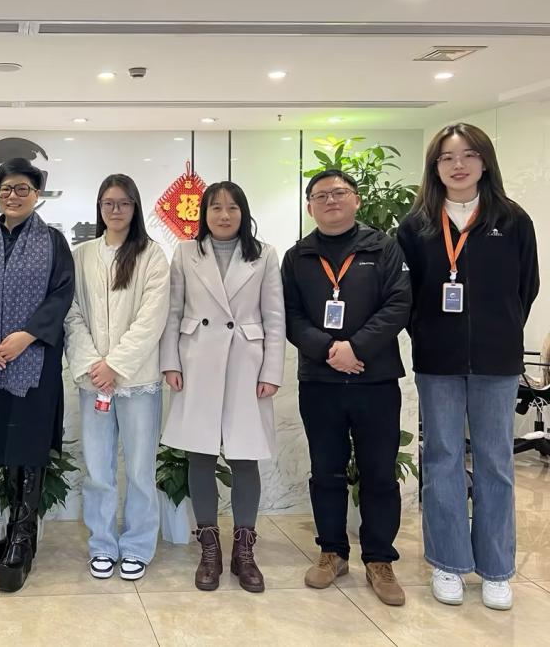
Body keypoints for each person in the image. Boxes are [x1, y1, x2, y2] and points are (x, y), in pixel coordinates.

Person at [397, 123, 540, 611]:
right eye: (447, 157)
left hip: (497, 360)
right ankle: (448, 562)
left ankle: (496, 569)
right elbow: (407, 296)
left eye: (469, 155)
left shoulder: (513, 220)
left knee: (496, 461)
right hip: (437, 360)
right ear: (434, 167)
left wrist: (499, 329)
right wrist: (429, 334)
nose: (458, 165)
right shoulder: (416, 225)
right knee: (442, 458)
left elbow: (526, 288)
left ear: (485, 162)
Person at [281, 169, 411, 607]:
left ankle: (380, 559)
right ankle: (332, 552)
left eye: (339, 192)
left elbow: (399, 303)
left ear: (356, 200)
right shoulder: (297, 256)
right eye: (321, 195)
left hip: (375, 379)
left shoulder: (383, 247)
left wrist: (356, 347)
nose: (330, 200)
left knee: (379, 472)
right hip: (320, 381)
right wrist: (328, 350)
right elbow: (290, 315)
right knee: (326, 471)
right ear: (309, 207)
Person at [159, 181, 284, 593]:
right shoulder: (185, 252)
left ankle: (244, 552)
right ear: (204, 214)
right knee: (200, 455)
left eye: (232, 207)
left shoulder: (264, 254)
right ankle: (209, 550)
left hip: (246, 364)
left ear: (243, 213)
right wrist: (170, 362)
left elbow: (275, 317)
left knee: (245, 457)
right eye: (215, 207)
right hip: (198, 361)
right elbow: (173, 312)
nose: (224, 215)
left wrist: (271, 371)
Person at [0, 157, 75, 592]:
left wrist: (26, 336)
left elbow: (62, 294)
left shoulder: (53, 242)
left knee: (29, 442)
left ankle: (23, 536)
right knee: (5, 443)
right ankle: (14, 528)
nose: (13, 195)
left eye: (22, 188)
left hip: (34, 361)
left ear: (36, 194)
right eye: (6, 188)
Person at [65, 173, 169, 582]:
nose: (116, 210)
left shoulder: (151, 255)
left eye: (124, 203)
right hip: (94, 381)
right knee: (98, 469)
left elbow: (151, 319)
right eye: (108, 203)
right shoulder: (82, 255)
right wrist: (95, 365)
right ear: (99, 207)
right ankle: (103, 544)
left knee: (140, 469)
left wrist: (116, 365)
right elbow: (72, 314)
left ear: (135, 207)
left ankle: (138, 546)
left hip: (138, 381)